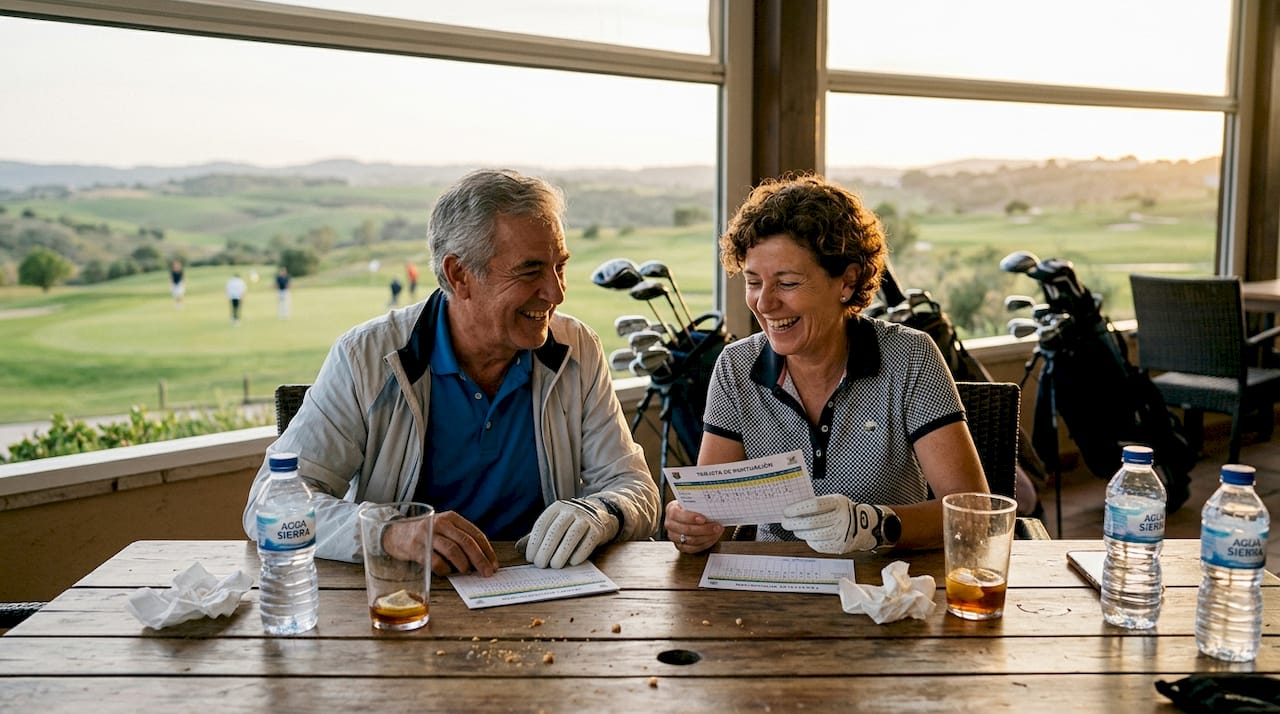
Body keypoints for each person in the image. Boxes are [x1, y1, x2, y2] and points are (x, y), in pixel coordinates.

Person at [242, 169, 660, 575]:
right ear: (460, 275)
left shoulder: (578, 349)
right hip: (408, 600)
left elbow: (635, 487)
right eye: (531, 270)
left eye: (560, 266)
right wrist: (392, 533)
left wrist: (600, 510)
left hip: (548, 594)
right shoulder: (364, 357)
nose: (555, 292)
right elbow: (268, 506)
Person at [665, 174, 988, 555]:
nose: (764, 304)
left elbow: (972, 512)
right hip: (775, 589)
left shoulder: (911, 356)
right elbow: (712, 513)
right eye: (754, 282)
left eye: (786, 283)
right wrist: (693, 525)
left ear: (847, 282)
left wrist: (872, 524)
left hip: (886, 588)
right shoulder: (736, 367)